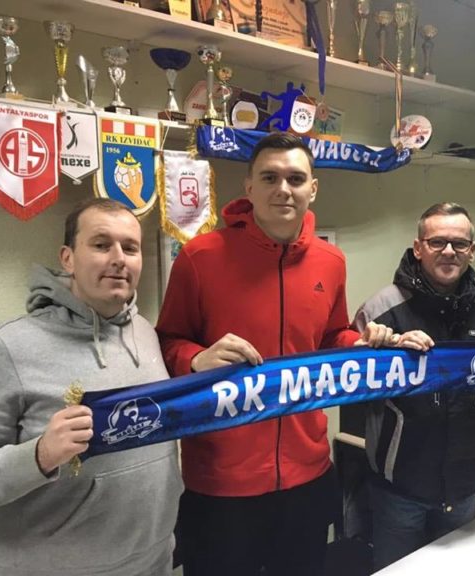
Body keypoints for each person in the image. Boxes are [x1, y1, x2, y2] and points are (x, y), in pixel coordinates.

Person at [156, 132, 404, 576]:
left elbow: (331, 336)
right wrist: (195, 358)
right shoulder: (199, 257)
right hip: (222, 483)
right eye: (270, 178)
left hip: (307, 475)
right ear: (249, 187)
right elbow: (167, 340)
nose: (283, 189)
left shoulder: (331, 261)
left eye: (295, 178)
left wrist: (360, 344)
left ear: (313, 188)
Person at [0, 198, 184, 576]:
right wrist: (40, 455)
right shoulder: (4, 348)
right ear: (68, 258)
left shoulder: (144, 333)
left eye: (130, 248)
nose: (118, 259)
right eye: (101, 244)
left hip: (151, 564)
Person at [354, 202, 475, 570]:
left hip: (464, 484)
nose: (449, 251)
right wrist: (386, 349)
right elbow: (353, 383)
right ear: (418, 248)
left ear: (472, 251)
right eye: (437, 242)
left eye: (459, 243)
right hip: (400, 485)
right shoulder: (380, 310)